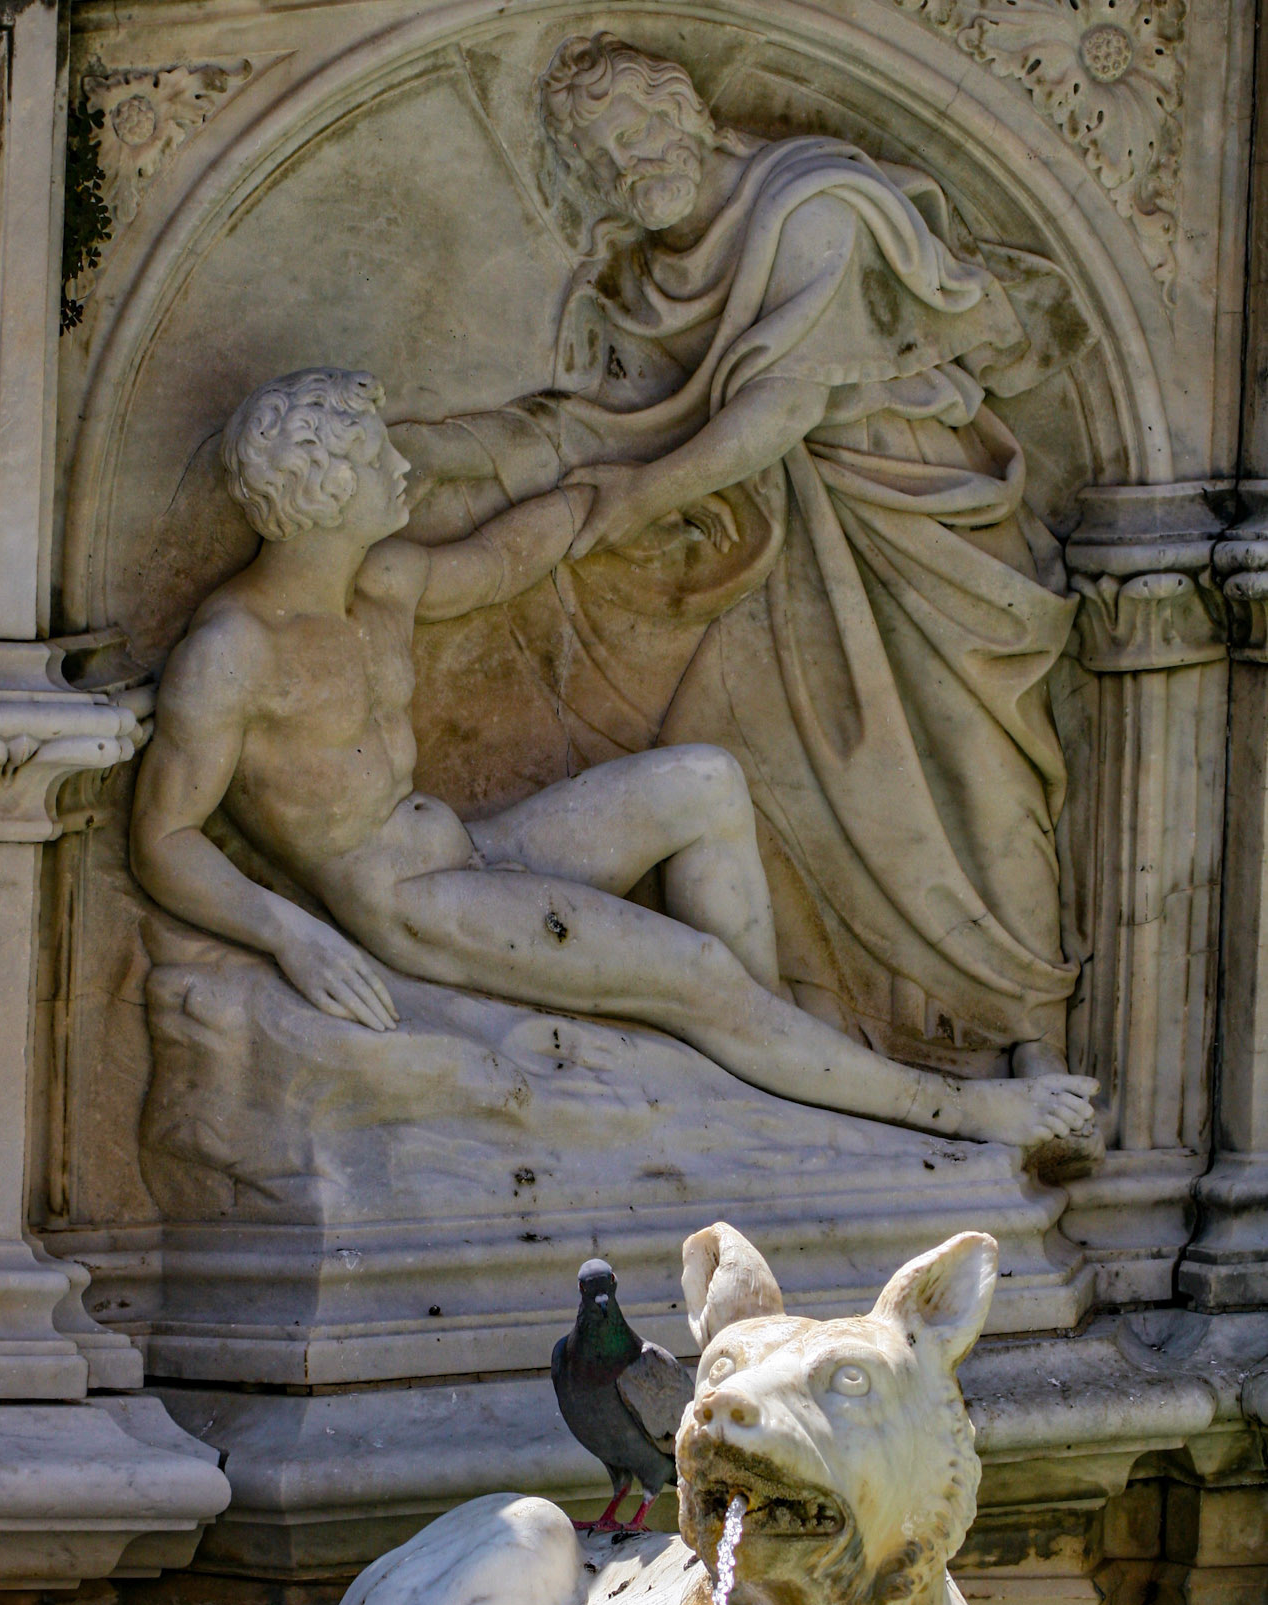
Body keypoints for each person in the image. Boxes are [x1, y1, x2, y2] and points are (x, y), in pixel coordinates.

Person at [130, 366, 1096, 1152]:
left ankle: (784, 1064)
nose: (402, 465)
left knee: (702, 782)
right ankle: (958, 1112)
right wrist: (293, 936)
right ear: (326, 489)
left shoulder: (379, 580)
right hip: (412, 908)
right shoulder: (234, 651)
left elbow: (504, 561)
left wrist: (635, 488)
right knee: (698, 969)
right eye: (376, 455)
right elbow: (164, 838)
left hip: (464, 849)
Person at [395, 35, 1090, 1083]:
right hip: (771, 555)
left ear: (687, 111)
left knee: (967, 774)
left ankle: (1026, 1033)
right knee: (739, 762)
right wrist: (435, 451)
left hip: (911, 524)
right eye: (600, 159)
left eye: (638, 129)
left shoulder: (812, 204)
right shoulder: (639, 280)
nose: (629, 164)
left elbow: (787, 400)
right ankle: (809, 1051)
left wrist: (642, 494)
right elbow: (595, 424)